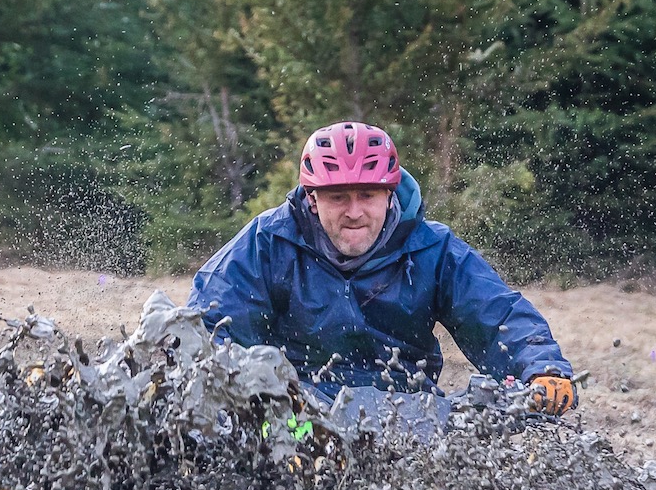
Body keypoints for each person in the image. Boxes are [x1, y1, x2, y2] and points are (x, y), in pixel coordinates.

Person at [188, 121, 576, 414]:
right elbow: (212, 321)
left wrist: (541, 368)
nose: (354, 212)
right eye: (338, 197)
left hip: (407, 413)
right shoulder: (267, 241)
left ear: (389, 194)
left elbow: (496, 314)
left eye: (367, 195)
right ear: (312, 198)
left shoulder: (433, 248)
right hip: (300, 413)